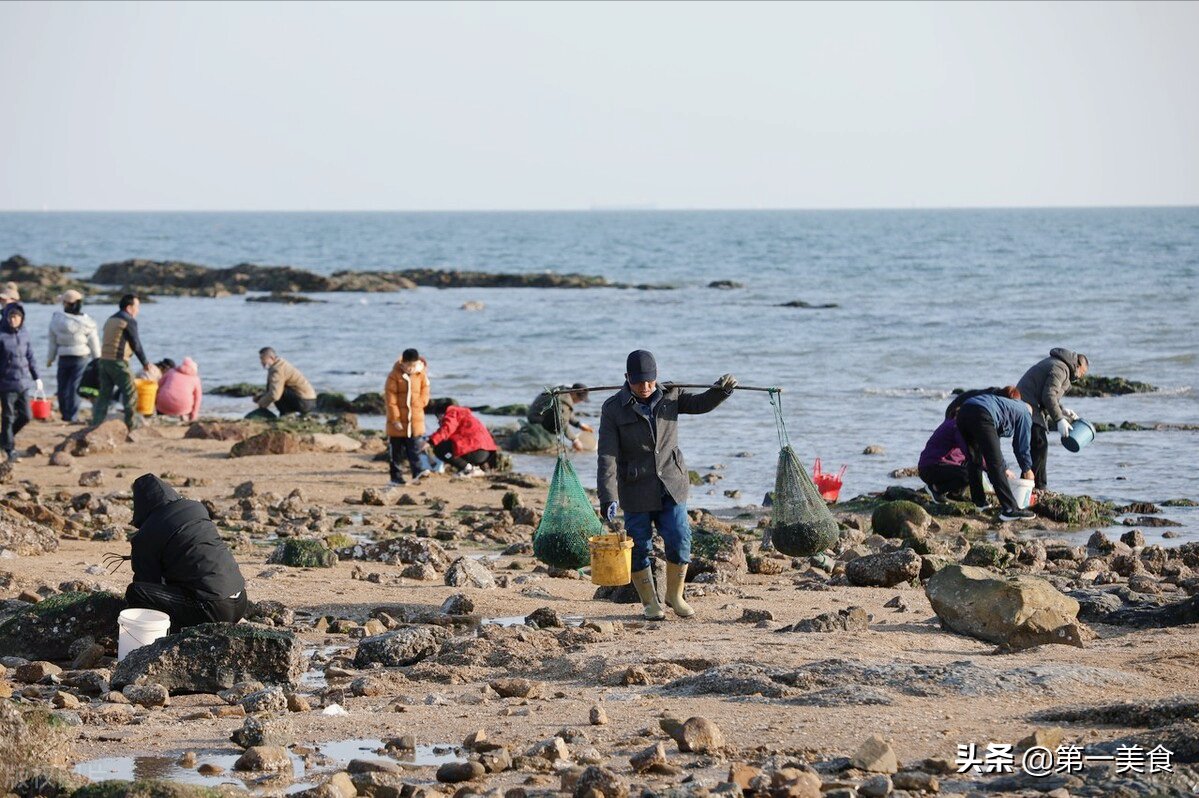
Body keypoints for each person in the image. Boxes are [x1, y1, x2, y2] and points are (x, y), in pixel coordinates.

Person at [597, 349, 737, 620]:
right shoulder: (613, 408)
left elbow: (700, 404)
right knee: (639, 546)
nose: (645, 387)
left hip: (671, 484)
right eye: (638, 382)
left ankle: (675, 596)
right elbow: (607, 455)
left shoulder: (671, 395)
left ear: (656, 376)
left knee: (680, 538)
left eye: (649, 381)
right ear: (627, 378)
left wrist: (721, 391)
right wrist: (608, 496)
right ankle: (650, 603)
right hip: (635, 489)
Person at [122, 473, 247, 633]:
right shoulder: (196, 508)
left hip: (213, 609)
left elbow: (147, 583)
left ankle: (166, 639)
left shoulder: (146, 534)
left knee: (136, 592)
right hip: (240, 600)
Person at [924, 386, 1022, 501]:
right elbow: (977, 452)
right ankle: (936, 488)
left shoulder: (993, 406)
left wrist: (1000, 468)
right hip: (932, 466)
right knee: (971, 469)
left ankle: (955, 493)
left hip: (965, 413)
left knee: (969, 461)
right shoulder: (959, 424)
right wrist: (1000, 469)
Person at [955, 391, 1037, 522]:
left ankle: (979, 502)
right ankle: (1010, 509)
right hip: (982, 413)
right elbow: (1021, 446)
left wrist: (1004, 467)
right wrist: (1027, 468)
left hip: (964, 412)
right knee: (994, 465)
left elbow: (993, 447)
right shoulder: (1025, 413)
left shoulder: (1005, 407)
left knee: (974, 459)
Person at [1015, 348, 1089, 491]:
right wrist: (1059, 419)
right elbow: (1048, 396)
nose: (1081, 377)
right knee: (1039, 445)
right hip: (1026, 404)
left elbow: (1049, 395)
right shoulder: (1060, 368)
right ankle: (1037, 488)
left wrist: (1062, 411)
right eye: (1083, 373)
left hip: (1030, 403)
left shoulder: (1061, 366)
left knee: (1037, 447)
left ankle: (1031, 486)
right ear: (1078, 366)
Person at [94, 294, 150, 430]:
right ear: (129, 307)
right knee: (130, 392)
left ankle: (96, 423)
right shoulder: (128, 321)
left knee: (104, 395)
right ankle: (131, 425)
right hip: (118, 362)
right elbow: (136, 344)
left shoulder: (111, 319)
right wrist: (145, 363)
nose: (138, 311)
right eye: (137, 307)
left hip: (104, 360)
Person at [47, 289, 102, 423]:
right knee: (74, 387)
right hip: (81, 357)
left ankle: (65, 414)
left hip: (63, 356)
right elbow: (93, 342)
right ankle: (72, 416)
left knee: (62, 387)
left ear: (65, 303)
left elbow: (52, 342)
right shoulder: (87, 322)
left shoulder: (57, 320)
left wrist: (50, 358)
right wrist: (97, 359)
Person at [0, 303, 41, 462]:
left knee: (26, 416)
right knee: (8, 416)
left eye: (16, 317)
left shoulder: (25, 334)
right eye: (11, 316)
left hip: (23, 382)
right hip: (6, 383)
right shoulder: (1, 335)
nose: (13, 320)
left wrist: (37, 377)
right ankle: (10, 449)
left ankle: (3, 439)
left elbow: (30, 357)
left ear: (22, 319)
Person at [384, 348, 432, 486]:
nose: (411, 369)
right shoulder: (394, 376)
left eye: (413, 366)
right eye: (408, 366)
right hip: (397, 422)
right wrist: (395, 419)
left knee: (415, 449)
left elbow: (425, 392)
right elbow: (390, 400)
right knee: (397, 452)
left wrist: (420, 403)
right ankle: (396, 478)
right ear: (403, 363)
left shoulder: (421, 374)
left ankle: (417, 473)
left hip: (415, 421)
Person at [427, 399, 498, 476]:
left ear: (441, 414)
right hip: (488, 452)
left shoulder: (452, 413)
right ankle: (475, 468)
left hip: (475, 452)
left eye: (438, 418)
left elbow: (447, 429)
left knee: (440, 448)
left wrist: (430, 441)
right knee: (451, 445)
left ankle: (468, 469)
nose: (439, 421)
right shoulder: (466, 416)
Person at [250, 347, 316, 418]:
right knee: (275, 388)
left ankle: (285, 414)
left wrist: (261, 404)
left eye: (263, 359)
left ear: (272, 358)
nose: (261, 362)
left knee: (276, 392)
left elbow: (275, 395)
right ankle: (287, 414)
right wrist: (261, 396)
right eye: (261, 359)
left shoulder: (277, 370)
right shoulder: (280, 364)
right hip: (309, 400)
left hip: (304, 402)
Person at [527, 383, 593, 451]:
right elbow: (563, 422)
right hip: (537, 421)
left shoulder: (565, 392)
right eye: (580, 399)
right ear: (574, 393)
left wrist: (579, 425)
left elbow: (567, 413)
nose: (580, 402)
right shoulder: (564, 399)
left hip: (537, 416)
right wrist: (575, 440)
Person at [156, 357, 203, 421]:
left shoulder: (171, 372)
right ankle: (183, 417)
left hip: (164, 404)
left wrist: (156, 401)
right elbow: (197, 398)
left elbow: (159, 385)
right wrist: (194, 416)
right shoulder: (196, 379)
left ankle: (160, 415)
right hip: (183, 407)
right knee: (186, 401)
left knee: (163, 397)